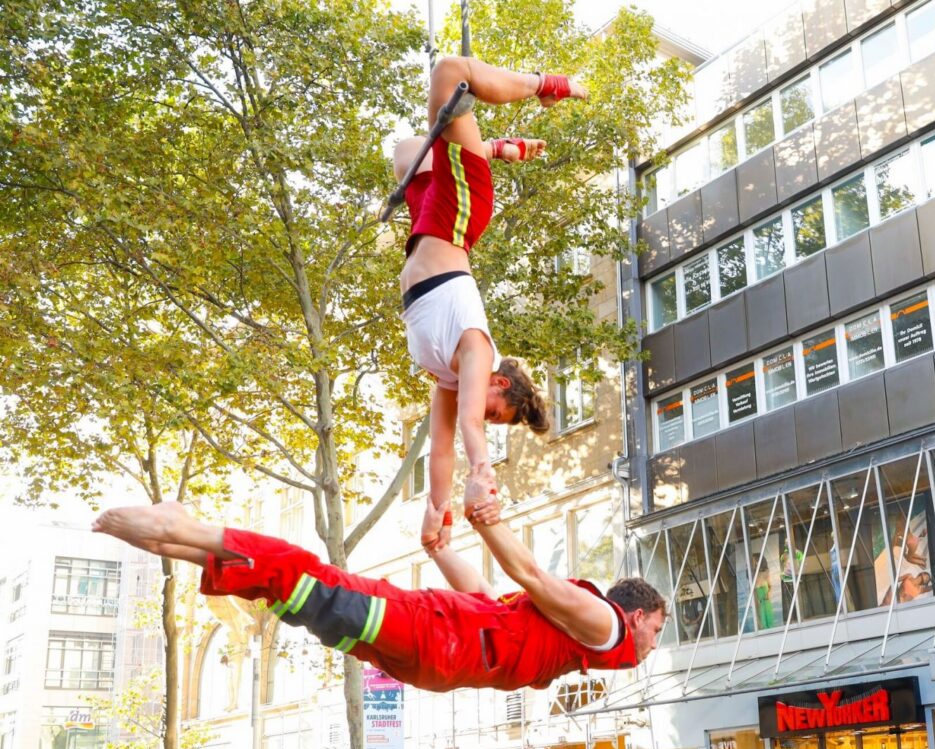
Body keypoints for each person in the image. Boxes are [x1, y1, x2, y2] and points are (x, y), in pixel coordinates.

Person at [93, 502, 666, 693]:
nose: (655, 642)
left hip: (435, 657)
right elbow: (535, 577)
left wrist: (440, 548)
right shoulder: (605, 625)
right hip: (434, 635)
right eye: (659, 628)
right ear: (635, 615)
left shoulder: (571, 643)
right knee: (309, 579)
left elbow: (492, 599)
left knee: (301, 603)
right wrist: (486, 519)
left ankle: (184, 542)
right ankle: (192, 531)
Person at [391, 56, 580, 546]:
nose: (487, 418)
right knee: (450, 72)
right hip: (461, 215)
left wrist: (438, 512)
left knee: (408, 153)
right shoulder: (477, 349)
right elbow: (470, 427)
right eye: (498, 412)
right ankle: (545, 84)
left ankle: (492, 147)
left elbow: (440, 446)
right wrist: (483, 473)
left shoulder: (447, 378)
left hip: (431, 227)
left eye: (492, 419)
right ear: (499, 382)